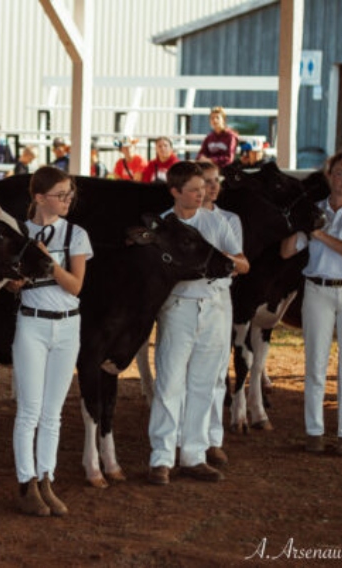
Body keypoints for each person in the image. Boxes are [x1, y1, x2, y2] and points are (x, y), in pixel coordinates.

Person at [148, 161, 248, 486]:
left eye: (202, 188)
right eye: (193, 189)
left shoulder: (217, 221)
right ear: (175, 191)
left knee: (205, 382)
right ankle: (161, 458)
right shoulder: (162, 225)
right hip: (178, 306)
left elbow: (243, 263)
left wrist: (224, 261)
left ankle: (194, 455)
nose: (201, 193)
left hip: (215, 305)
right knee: (170, 381)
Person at [10, 166, 91, 516]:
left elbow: (75, 286)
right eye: (61, 195)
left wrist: (47, 263)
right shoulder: (18, 233)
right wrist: (18, 279)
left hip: (68, 325)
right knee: (29, 409)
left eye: (69, 195)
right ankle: (26, 483)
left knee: (53, 412)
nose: (67, 201)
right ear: (40, 198)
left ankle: (46, 478)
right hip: (32, 324)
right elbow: (12, 283)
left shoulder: (76, 234)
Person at [280, 151, 342, 457]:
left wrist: (318, 232)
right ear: (329, 176)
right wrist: (298, 227)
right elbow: (287, 252)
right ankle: (314, 432)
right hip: (317, 290)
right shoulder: (312, 210)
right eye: (340, 174)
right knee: (315, 364)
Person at [198, 160, 243, 467]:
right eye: (207, 181)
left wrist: (212, 260)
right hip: (185, 299)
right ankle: (183, 438)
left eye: (217, 181)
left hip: (219, 296)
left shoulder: (228, 219)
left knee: (215, 372)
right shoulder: (178, 219)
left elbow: (239, 264)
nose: (214, 187)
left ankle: (213, 439)